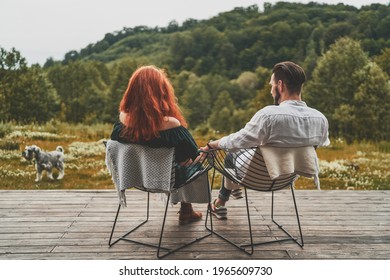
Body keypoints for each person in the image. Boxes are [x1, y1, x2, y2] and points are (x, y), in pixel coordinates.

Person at [203, 61, 330, 219]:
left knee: (230, 153)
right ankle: (228, 193)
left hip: (255, 177)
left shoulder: (269, 115)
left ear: (280, 85)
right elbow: (322, 142)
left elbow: (238, 141)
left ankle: (221, 202)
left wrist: (212, 144)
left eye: (272, 85)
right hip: (287, 175)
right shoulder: (320, 119)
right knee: (239, 148)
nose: (271, 91)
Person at [111, 65, 203, 225]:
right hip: (167, 178)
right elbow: (192, 153)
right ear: (161, 92)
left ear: (132, 91)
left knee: (182, 161)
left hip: (136, 175)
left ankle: (186, 210)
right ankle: (187, 209)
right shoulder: (172, 126)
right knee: (193, 161)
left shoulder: (123, 121)